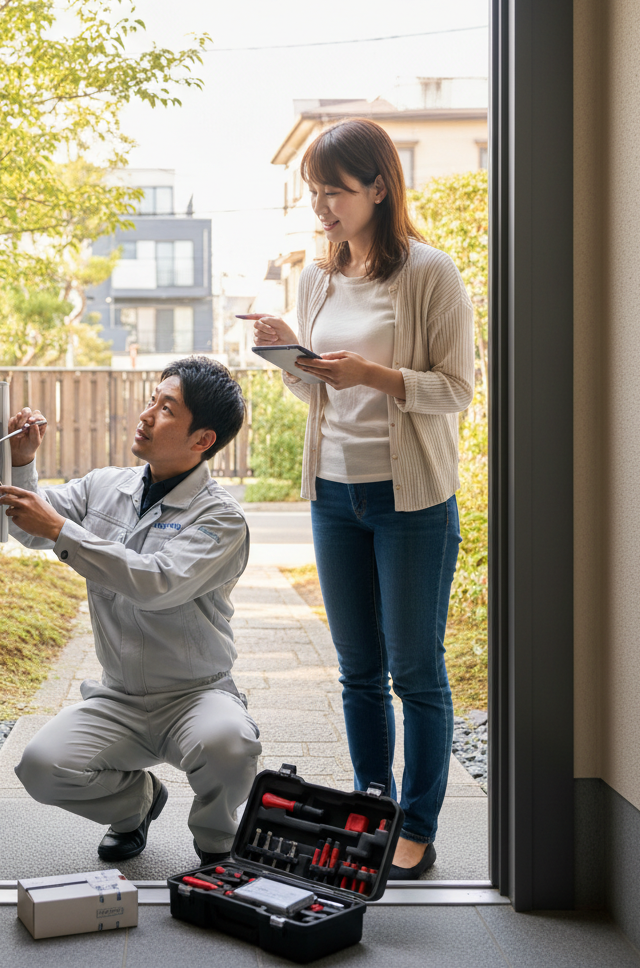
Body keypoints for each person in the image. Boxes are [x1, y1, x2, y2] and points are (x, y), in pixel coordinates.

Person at [245, 118, 474, 879]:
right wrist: (290, 353)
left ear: (379, 187)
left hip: (409, 501)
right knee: (356, 671)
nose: (321, 208)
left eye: (334, 192)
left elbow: (456, 392)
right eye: (313, 192)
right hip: (334, 495)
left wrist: (373, 375)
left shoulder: (430, 273)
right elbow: (312, 390)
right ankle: (370, 804)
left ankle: (418, 824)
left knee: (416, 672)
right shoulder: (315, 278)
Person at [0, 356, 260, 864]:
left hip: (194, 696)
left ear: (202, 440)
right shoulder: (104, 486)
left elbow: (157, 582)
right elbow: (32, 525)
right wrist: (24, 463)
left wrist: (61, 531)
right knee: (40, 766)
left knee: (229, 746)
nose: (145, 415)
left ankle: (217, 843)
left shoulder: (221, 519)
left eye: (166, 409)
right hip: (119, 698)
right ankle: (137, 804)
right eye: (151, 400)